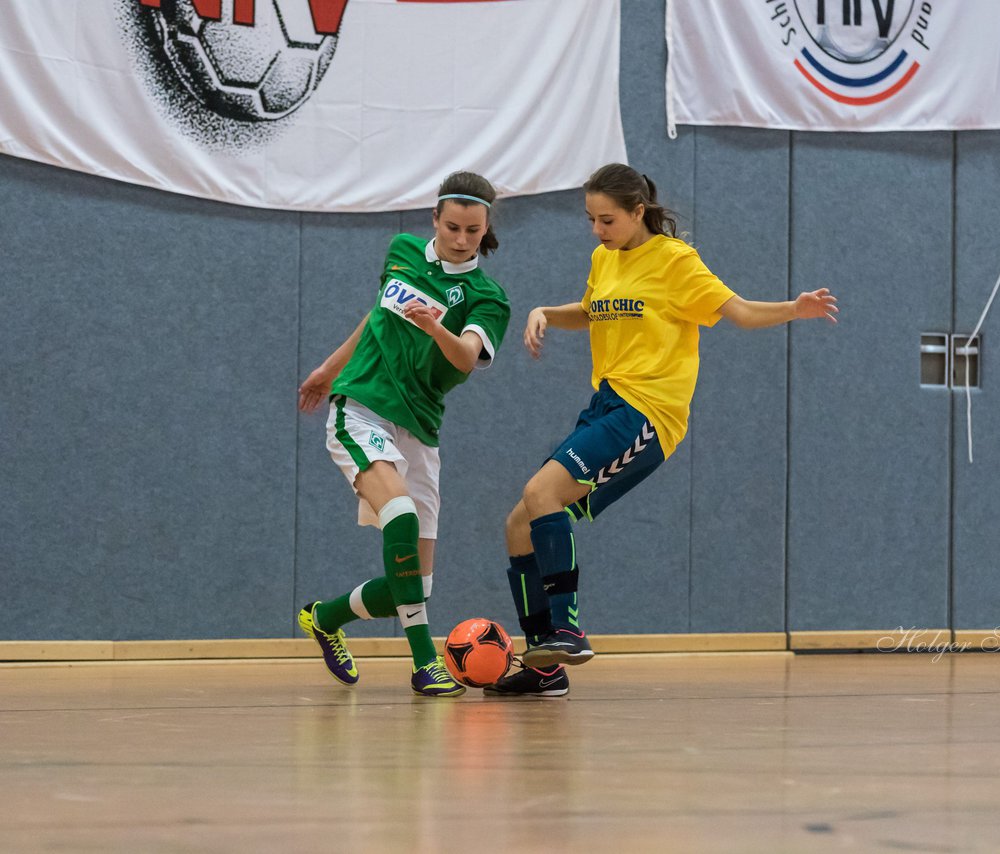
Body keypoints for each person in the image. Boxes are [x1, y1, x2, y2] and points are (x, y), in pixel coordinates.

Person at [485, 163, 838, 698]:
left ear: (638, 211)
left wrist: (795, 308)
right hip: (605, 404)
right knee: (519, 523)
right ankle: (544, 667)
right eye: (591, 220)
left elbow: (738, 312)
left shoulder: (676, 262)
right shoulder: (604, 258)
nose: (598, 229)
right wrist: (545, 313)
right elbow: (595, 311)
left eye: (608, 219)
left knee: (541, 494)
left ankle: (568, 631)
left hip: (647, 411)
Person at [296, 171, 511, 697]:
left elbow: (465, 356)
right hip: (363, 405)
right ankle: (423, 663)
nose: (462, 239)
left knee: (415, 583)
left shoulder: (488, 297)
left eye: (473, 230)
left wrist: (435, 326)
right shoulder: (402, 250)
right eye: (453, 226)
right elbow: (376, 316)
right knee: (399, 513)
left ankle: (323, 616)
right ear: (434, 220)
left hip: (420, 427)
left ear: (486, 230)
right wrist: (328, 369)